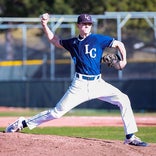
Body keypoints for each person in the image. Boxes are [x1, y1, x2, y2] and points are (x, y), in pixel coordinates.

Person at [5, 13, 148, 147]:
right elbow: (54, 40)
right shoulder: (73, 43)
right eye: (84, 24)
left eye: (89, 24)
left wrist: (123, 61)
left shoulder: (98, 39)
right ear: (78, 25)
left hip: (98, 83)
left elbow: (119, 44)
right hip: (79, 85)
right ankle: (22, 123)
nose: (87, 26)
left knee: (123, 99)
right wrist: (44, 25)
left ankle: (130, 137)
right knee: (57, 113)